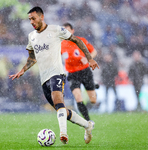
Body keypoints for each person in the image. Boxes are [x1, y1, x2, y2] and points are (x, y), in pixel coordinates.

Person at [9, 6, 99, 145]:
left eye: (33, 18)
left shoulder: (56, 30)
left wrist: (89, 58)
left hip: (57, 73)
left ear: (41, 17)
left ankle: (63, 133)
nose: (31, 22)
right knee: (61, 109)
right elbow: (32, 58)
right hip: (44, 79)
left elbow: (77, 40)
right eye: (29, 19)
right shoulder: (31, 37)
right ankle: (88, 126)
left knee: (59, 102)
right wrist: (23, 70)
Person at [61, 23, 98, 121]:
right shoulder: (61, 45)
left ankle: (94, 86)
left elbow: (94, 51)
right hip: (72, 74)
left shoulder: (80, 41)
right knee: (78, 97)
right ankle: (88, 121)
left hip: (85, 71)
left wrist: (87, 59)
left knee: (93, 100)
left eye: (68, 30)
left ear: (72, 31)